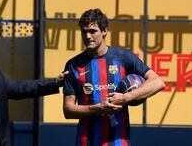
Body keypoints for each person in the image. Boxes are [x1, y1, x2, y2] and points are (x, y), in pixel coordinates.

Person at [63, 8, 165, 145]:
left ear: (104, 31)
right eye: (84, 31)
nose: (87, 36)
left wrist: (125, 98)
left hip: (118, 141)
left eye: (92, 31)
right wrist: (99, 107)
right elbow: (68, 110)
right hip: (86, 141)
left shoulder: (123, 57)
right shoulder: (73, 65)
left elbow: (158, 82)